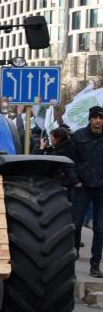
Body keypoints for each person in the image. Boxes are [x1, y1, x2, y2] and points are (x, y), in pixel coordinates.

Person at [70, 106, 103, 278]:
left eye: (101, 117)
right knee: (75, 223)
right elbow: (71, 161)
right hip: (82, 186)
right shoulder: (79, 136)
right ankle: (73, 251)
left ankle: (95, 265)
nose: (98, 120)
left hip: (100, 187)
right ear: (90, 119)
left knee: (100, 227)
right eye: (95, 117)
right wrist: (75, 180)